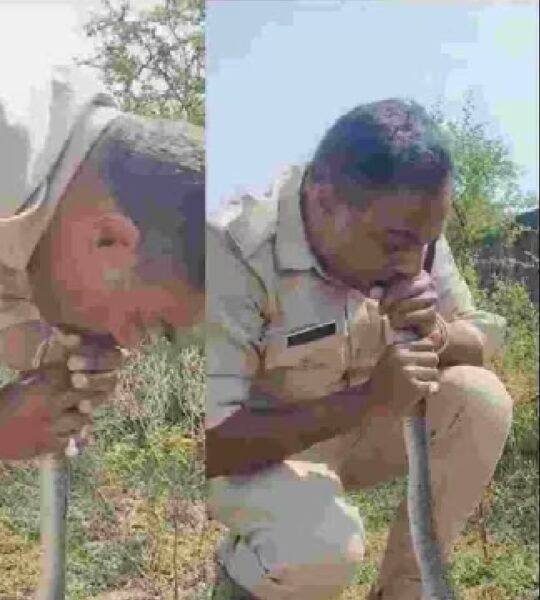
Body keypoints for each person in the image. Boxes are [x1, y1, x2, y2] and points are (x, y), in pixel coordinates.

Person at [206, 98, 514, 599]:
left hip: (358, 434)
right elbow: (213, 444)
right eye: (394, 243)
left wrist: (435, 331)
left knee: (479, 398)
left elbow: (477, 341)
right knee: (320, 543)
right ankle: (244, 579)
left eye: (425, 242)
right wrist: (370, 399)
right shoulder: (233, 251)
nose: (411, 263)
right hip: (256, 456)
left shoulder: (413, 232)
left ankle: (404, 591)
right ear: (324, 199)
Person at [0, 60, 204, 461]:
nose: (126, 345)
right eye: (144, 322)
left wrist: (46, 355)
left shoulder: (57, 183)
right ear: (111, 238)